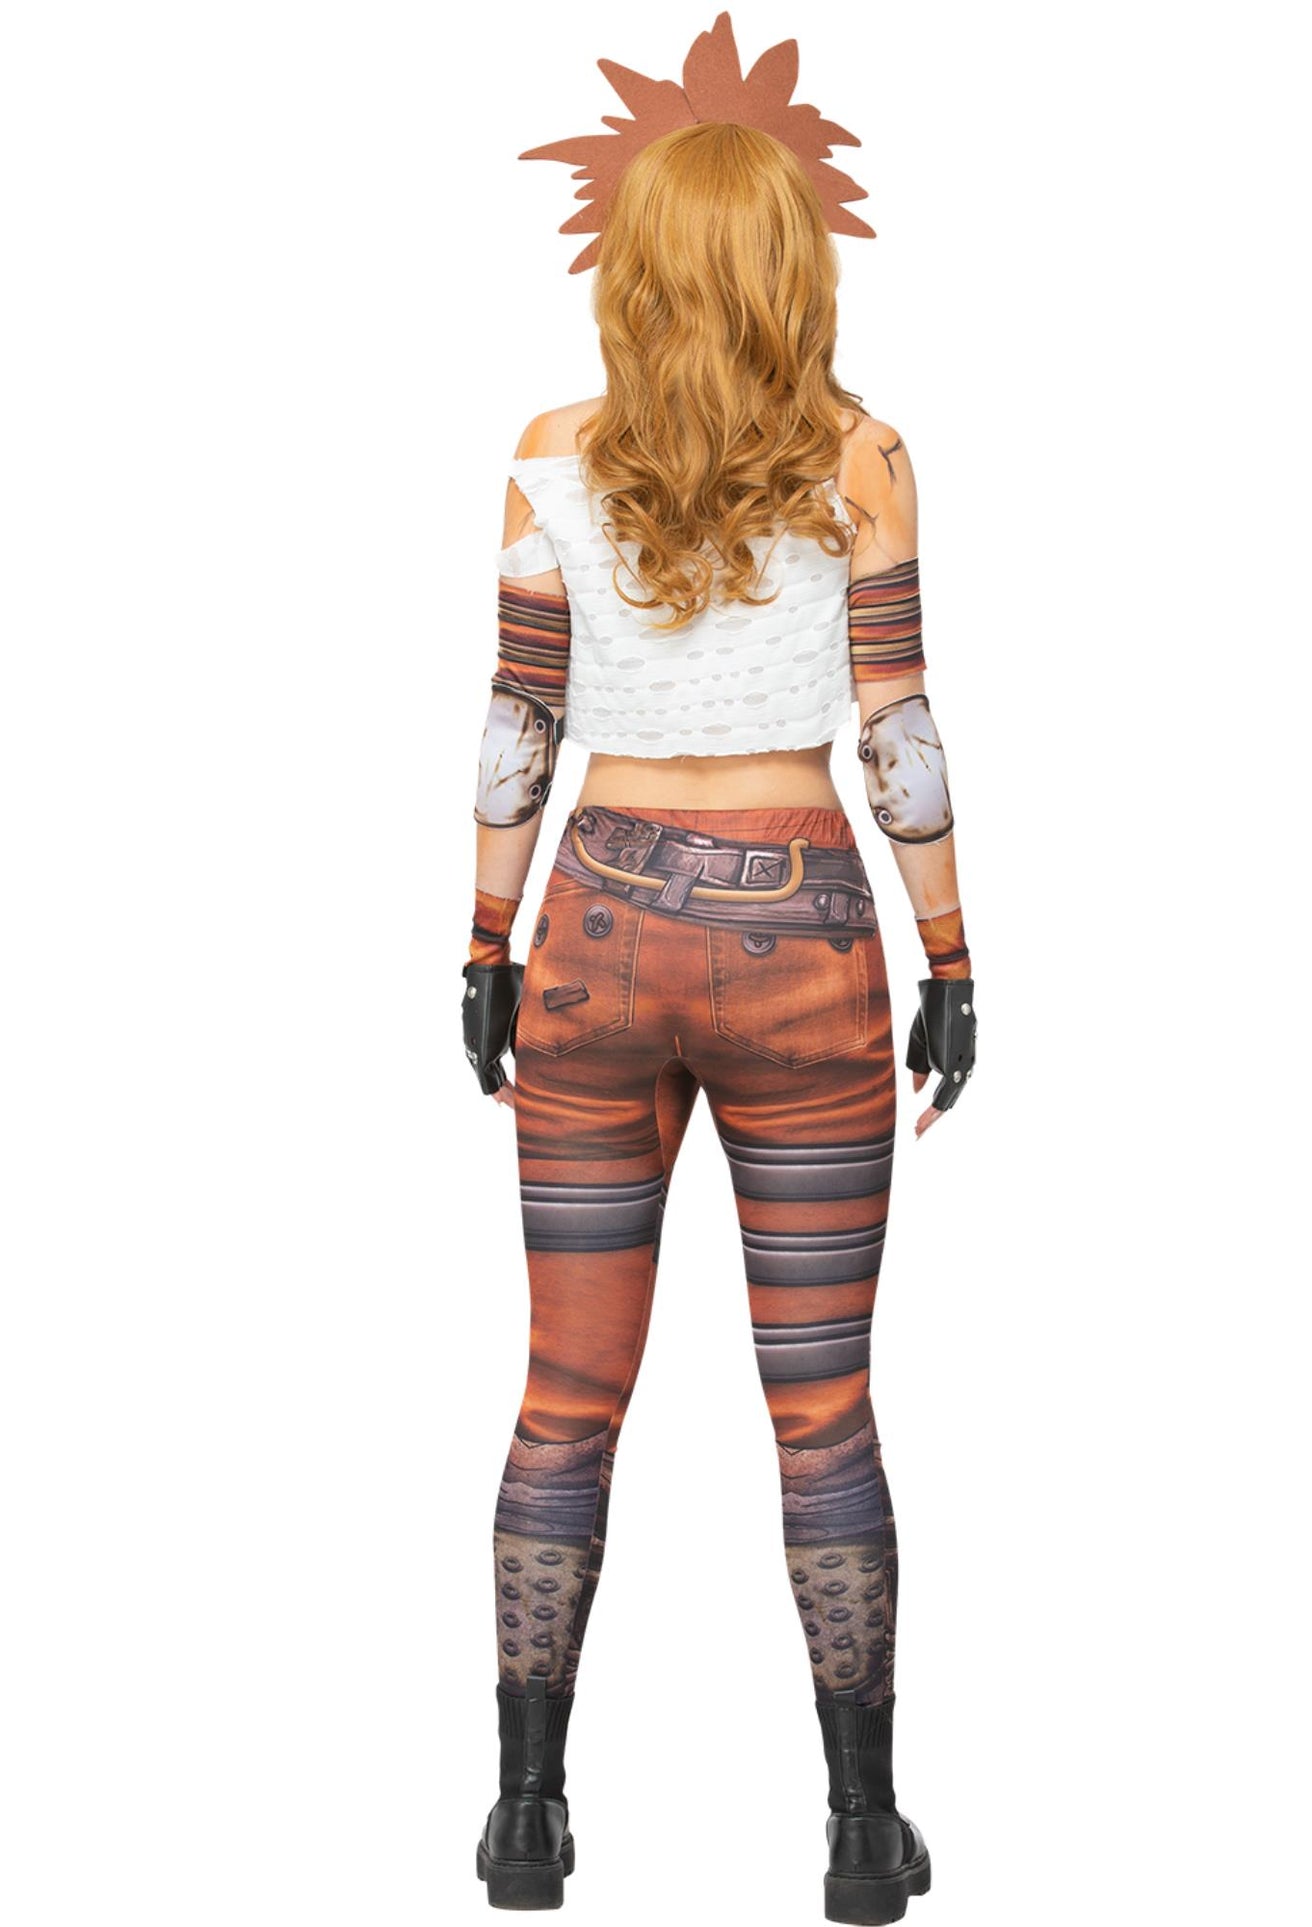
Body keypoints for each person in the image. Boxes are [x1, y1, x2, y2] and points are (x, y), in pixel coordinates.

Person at [462, 32, 975, 1921]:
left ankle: (526, 1817)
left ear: (635, 268)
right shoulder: (863, 458)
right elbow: (895, 727)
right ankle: (859, 1834)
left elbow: (519, 722)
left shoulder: (547, 454)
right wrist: (950, 952)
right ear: (790, 266)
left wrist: (482, 941)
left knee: (562, 1395)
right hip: (801, 939)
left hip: (594, 928)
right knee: (822, 1408)